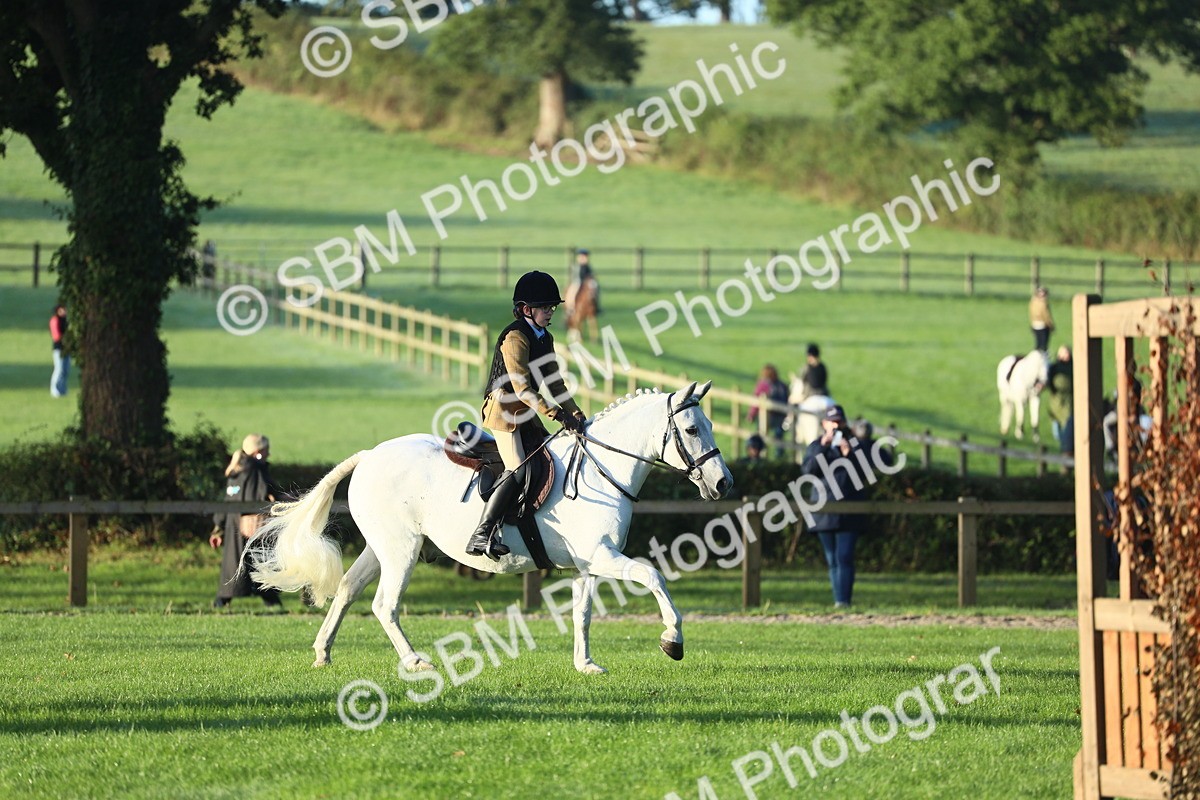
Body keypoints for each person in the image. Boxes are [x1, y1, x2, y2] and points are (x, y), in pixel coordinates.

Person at [469, 270, 587, 560]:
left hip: (524, 411)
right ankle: (482, 532)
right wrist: (558, 415)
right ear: (526, 310)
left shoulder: (545, 338)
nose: (550, 313)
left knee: (550, 457)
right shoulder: (515, 338)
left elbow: (555, 383)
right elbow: (522, 388)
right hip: (503, 409)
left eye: (552, 307)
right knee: (520, 468)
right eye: (545, 308)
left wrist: (576, 412)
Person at [801, 405, 889, 609]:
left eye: (839, 421)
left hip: (850, 509)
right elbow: (808, 471)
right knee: (832, 559)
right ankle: (839, 600)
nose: (835, 425)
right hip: (823, 511)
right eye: (831, 421)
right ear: (824, 424)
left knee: (845, 556)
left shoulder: (856, 445)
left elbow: (872, 468)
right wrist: (824, 447)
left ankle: (843, 602)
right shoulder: (816, 446)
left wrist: (850, 453)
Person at [210, 433, 283, 609]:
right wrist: (281, 498)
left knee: (233, 568)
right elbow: (266, 492)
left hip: (232, 526)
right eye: (266, 451)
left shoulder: (235, 471)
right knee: (262, 564)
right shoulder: (256, 469)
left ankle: (221, 602)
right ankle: (272, 602)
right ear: (258, 452)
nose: (268, 455)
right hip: (253, 526)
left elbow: (227, 501)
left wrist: (217, 528)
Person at [747, 364, 789, 457]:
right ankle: (779, 456)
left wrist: (751, 415)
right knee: (779, 438)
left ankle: (759, 455)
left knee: (759, 436)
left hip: (766, 416)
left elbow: (756, 402)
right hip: (780, 417)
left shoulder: (763, 385)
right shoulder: (782, 385)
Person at [1045, 345, 1073, 455]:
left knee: (1066, 435)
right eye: (1062, 353)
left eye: (1066, 353)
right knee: (1058, 434)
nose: (1064, 356)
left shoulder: (1074, 368)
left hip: (1069, 406)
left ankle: (1066, 461)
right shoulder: (1053, 369)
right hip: (1056, 408)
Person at [565, 248, 601, 315]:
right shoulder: (577, 266)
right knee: (573, 290)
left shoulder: (588, 267)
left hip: (586, 282)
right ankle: (571, 306)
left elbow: (591, 275)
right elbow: (575, 276)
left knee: (595, 287)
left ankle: (596, 305)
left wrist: (592, 279)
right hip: (578, 281)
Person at [1029, 286, 1054, 352]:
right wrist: (1050, 324)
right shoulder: (1043, 303)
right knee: (1043, 344)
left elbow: (1031, 313)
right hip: (1043, 325)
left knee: (1037, 343)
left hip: (1035, 324)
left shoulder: (1033, 302)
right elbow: (1046, 315)